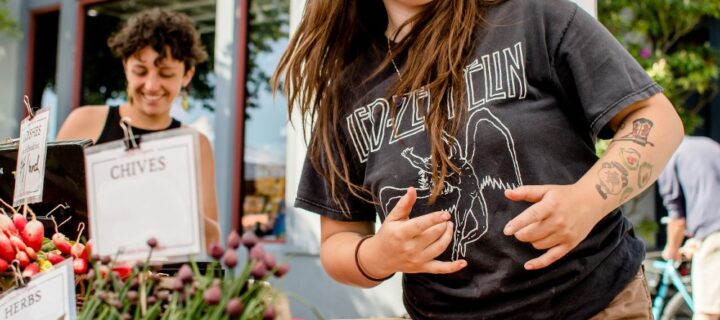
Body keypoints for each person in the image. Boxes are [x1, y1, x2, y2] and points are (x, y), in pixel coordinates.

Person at [275, 0, 685, 318]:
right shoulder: (348, 92)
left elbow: (657, 119)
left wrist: (586, 201)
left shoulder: (532, 16)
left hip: (593, 304)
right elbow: (337, 241)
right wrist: (379, 255)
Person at [56, 8, 219, 246]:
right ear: (125, 66)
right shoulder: (84, 122)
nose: (152, 85)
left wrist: (177, 204)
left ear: (187, 75)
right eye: (141, 71)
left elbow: (213, 241)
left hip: (163, 280)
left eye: (166, 74)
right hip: (85, 277)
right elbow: (43, 209)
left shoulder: (196, 144)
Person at [659, 136, 720, 320]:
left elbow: (677, 218)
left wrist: (671, 250)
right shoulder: (707, 145)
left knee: (706, 312)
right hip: (711, 233)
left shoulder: (668, 156)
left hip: (715, 235)